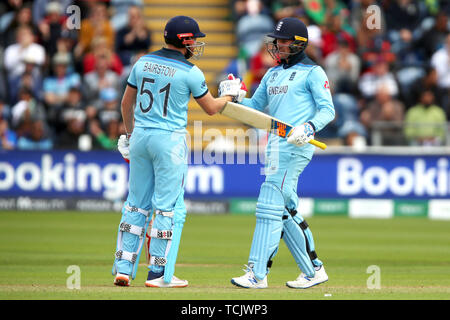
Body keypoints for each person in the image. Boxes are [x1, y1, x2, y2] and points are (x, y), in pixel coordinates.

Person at [112, 16, 234, 288]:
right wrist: (231, 95)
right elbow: (212, 108)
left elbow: (125, 104)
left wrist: (131, 136)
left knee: (136, 204)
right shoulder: (191, 72)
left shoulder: (142, 62)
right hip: (169, 141)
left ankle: (123, 267)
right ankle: (157, 274)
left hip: (141, 136)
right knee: (165, 208)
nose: (197, 44)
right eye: (195, 39)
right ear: (185, 41)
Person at [219, 17, 335, 289]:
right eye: (276, 41)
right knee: (285, 209)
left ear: (298, 44)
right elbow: (256, 109)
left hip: (296, 145)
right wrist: (235, 97)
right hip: (273, 147)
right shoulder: (272, 73)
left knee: (268, 204)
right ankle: (313, 271)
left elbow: (327, 110)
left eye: (282, 42)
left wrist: (309, 126)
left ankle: (257, 274)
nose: (277, 46)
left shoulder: (313, 72)